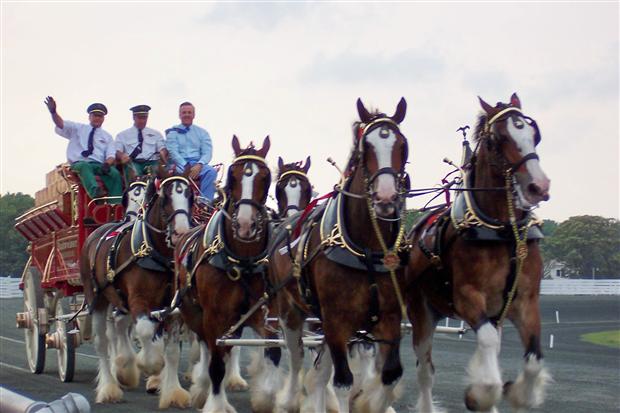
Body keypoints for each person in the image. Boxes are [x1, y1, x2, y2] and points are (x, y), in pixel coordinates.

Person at [44, 96, 122, 204]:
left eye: (100, 116)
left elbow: (111, 154)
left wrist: (107, 164)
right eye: (95, 115)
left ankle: (115, 204)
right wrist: (53, 112)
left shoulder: (107, 136)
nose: (97, 118)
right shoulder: (77, 128)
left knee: (115, 174)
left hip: (99, 165)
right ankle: (95, 192)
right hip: (80, 164)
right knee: (84, 166)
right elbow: (60, 124)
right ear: (89, 116)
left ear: (103, 118)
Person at [165, 101, 217, 201]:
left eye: (189, 112)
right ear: (179, 115)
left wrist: (200, 164)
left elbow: (207, 152)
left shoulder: (202, 132)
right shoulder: (172, 132)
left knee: (211, 172)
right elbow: (173, 152)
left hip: (197, 164)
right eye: (184, 113)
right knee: (173, 172)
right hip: (179, 164)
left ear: (194, 114)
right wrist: (186, 166)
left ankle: (204, 203)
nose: (187, 115)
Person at [115, 104, 167, 183]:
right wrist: (122, 156)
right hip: (134, 162)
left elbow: (162, 148)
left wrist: (163, 152)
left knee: (158, 173)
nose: (142, 121)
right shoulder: (122, 135)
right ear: (133, 117)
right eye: (140, 118)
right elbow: (117, 151)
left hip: (152, 162)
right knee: (133, 173)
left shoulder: (156, 134)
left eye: (145, 118)